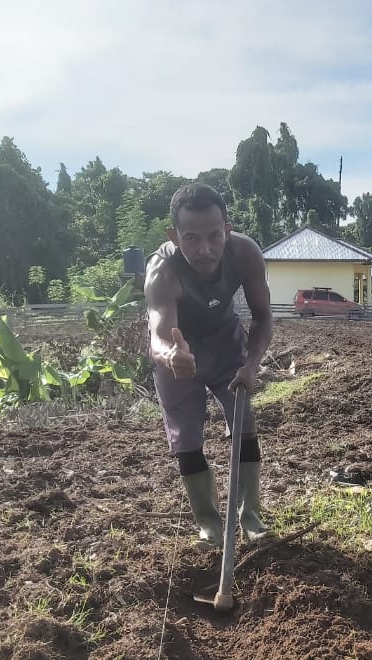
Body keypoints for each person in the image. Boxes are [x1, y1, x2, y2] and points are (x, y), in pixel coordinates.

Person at [145, 182, 274, 545]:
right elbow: (157, 333)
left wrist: (251, 366)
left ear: (227, 231)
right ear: (174, 235)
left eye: (214, 236)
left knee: (244, 420)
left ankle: (251, 518)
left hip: (225, 341)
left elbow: (263, 318)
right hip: (178, 351)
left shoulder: (245, 253)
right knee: (185, 435)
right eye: (191, 238)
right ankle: (210, 526)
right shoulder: (162, 271)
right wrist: (171, 354)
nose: (204, 249)